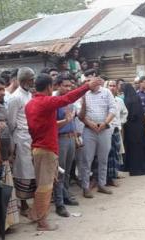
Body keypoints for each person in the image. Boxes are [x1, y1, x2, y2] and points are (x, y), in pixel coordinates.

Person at [25, 73, 102, 231]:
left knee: (43, 185)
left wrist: (66, 121)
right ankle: (42, 222)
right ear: (49, 87)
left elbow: (50, 125)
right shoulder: (45, 102)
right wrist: (87, 86)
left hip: (39, 148)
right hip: (46, 149)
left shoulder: (31, 103)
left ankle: (36, 215)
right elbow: (67, 99)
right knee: (45, 187)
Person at [0, 76, 19, 234]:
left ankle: (4, 224)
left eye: (3, 89)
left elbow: (9, 130)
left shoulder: (2, 108)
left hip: (4, 158)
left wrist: (11, 150)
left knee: (3, 191)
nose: (3, 93)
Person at [79, 76, 116, 198]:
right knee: (86, 160)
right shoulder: (83, 93)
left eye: (92, 80)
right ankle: (85, 187)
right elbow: (80, 114)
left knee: (103, 159)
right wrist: (90, 124)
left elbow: (113, 109)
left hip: (104, 129)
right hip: (89, 130)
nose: (91, 83)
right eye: (88, 81)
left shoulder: (106, 92)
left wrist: (105, 123)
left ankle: (101, 184)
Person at [7, 67, 36, 216]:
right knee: (22, 171)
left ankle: (31, 203)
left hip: (32, 137)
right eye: (30, 79)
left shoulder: (30, 95)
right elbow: (11, 123)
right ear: (23, 80)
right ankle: (23, 205)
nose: (33, 82)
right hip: (20, 138)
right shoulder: (15, 97)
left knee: (32, 170)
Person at [53, 75, 80, 218]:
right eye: (65, 86)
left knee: (68, 171)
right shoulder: (55, 102)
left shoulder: (70, 100)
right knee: (60, 172)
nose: (68, 88)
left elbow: (73, 121)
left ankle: (66, 196)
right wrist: (65, 120)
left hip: (70, 138)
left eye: (70, 86)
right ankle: (59, 203)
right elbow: (52, 125)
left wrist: (75, 138)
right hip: (60, 139)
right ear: (57, 85)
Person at [123, 83, 145, 176]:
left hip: (131, 128)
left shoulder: (128, 100)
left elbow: (129, 115)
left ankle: (135, 169)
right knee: (140, 147)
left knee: (133, 149)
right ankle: (143, 168)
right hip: (140, 127)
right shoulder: (137, 98)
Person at [105, 80, 128, 186]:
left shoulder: (119, 100)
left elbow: (125, 113)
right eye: (110, 85)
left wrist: (121, 122)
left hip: (116, 129)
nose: (112, 87)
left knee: (116, 154)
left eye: (114, 86)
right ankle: (105, 178)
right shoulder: (104, 100)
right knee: (107, 154)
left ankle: (114, 175)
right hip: (105, 130)